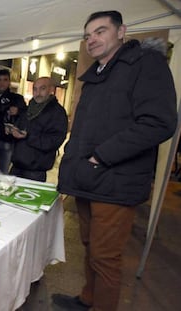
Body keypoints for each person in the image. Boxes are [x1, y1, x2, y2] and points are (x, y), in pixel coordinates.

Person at [54, 10, 177, 311]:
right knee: (89, 247)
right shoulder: (96, 75)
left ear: (122, 32)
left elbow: (159, 122)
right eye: (87, 36)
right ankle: (88, 299)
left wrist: (101, 156)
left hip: (115, 180)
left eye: (99, 31)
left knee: (105, 257)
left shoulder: (146, 64)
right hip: (86, 179)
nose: (91, 40)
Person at [9, 77, 68, 182]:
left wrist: (28, 136)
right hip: (17, 165)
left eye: (42, 88)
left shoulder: (57, 112)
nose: (38, 93)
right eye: (35, 89)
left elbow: (54, 141)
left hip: (35, 170)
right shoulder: (29, 108)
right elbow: (21, 127)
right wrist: (12, 131)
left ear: (51, 90)